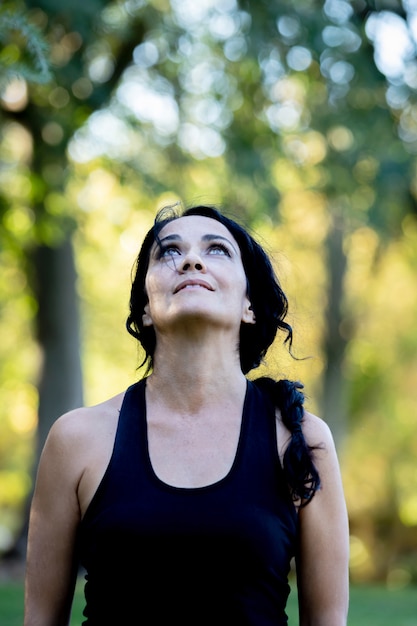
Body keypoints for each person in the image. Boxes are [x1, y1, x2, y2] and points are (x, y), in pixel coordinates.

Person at [24, 204, 349, 626]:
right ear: (144, 307)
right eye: (169, 252)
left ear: (249, 305)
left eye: (217, 250)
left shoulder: (302, 438)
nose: (192, 259)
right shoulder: (76, 438)